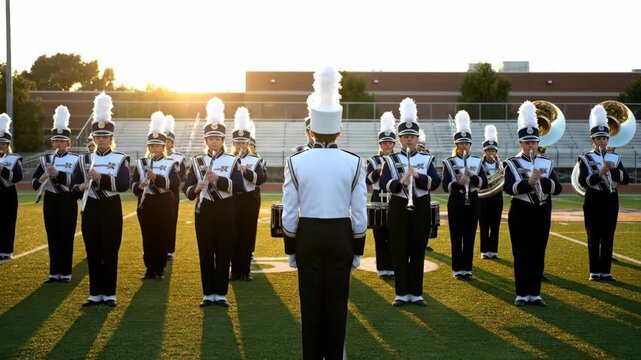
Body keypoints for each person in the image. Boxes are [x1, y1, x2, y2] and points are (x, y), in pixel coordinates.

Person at [282, 67, 367, 359]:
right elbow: (360, 215)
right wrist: (357, 248)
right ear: (339, 131)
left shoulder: (296, 162)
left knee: (310, 306)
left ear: (311, 131)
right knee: (336, 305)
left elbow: (289, 214)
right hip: (341, 235)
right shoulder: (354, 162)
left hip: (308, 235)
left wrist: (291, 247)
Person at [380, 98, 441, 306]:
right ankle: (401, 293)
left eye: (412, 137)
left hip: (421, 206)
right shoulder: (390, 160)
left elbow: (436, 182)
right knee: (398, 249)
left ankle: (416, 293)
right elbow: (383, 183)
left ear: (417, 138)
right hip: (398, 207)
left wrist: (418, 177)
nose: (408, 140)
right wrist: (401, 180)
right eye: (405, 136)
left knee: (417, 249)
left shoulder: (427, 159)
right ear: (399, 138)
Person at [72, 92, 131, 307]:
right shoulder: (84, 159)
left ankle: (110, 293)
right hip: (90, 208)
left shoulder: (120, 158)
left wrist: (100, 178)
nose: (101, 140)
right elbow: (73, 187)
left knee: (110, 250)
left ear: (111, 138)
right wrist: (79, 186)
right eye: (98, 136)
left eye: (105, 136)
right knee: (93, 250)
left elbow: (124, 184)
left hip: (110, 207)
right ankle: (95, 292)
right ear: (93, 138)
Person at [183, 97, 242, 308]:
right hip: (204, 211)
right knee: (206, 251)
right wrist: (196, 188)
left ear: (223, 140)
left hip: (225, 210)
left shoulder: (233, 160)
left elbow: (239, 187)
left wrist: (220, 180)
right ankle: (208, 293)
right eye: (211, 138)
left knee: (224, 250)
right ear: (206, 141)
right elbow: (186, 188)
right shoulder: (197, 161)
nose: (214, 142)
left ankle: (222, 293)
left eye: (218, 138)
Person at [504, 100, 561, 307]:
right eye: (527, 143)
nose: (531, 146)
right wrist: (528, 183)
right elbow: (509, 188)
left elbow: (558, 188)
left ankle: (535, 293)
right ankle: (521, 293)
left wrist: (544, 182)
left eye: (534, 142)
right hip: (520, 211)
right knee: (521, 253)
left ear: (538, 143)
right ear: (521, 143)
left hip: (542, 211)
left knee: (538, 252)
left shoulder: (546, 163)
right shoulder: (512, 163)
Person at [578, 104, 629, 282]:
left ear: (608, 139)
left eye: (604, 138)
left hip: (611, 197)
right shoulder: (585, 158)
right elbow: (583, 181)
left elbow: (625, 178)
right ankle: (594, 271)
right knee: (594, 235)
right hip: (593, 198)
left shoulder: (615, 157)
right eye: (598, 138)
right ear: (593, 140)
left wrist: (613, 170)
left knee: (608, 234)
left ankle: (606, 271)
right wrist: (600, 172)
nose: (602, 141)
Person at [32, 106, 80, 282]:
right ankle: (54, 272)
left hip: (68, 200)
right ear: (52, 143)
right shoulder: (45, 160)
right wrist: (44, 175)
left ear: (68, 142)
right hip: (51, 200)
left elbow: (76, 182)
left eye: (62, 141)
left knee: (66, 236)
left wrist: (58, 175)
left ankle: (65, 272)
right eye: (55, 141)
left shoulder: (76, 160)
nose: (58, 144)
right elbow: (35, 184)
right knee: (52, 235)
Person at [132, 111, 180, 280]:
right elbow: (133, 185)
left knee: (161, 236)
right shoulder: (141, 163)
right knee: (148, 237)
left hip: (164, 203)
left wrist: (156, 178)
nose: (155, 149)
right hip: (145, 204)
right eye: (152, 146)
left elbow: (174, 184)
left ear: (163, 147)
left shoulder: (170, 163)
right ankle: (149, 268)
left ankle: (159, 268)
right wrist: (140, 185)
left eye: (158, 146)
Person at [442, 110, 487, 280]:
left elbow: (484, 183)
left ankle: (467, 268)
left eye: (466, 144)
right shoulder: (449, 162)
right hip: (456, 200)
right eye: (460, 144)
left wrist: (473, 177)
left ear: (470, 145)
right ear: (456, 144)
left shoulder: (477, 161)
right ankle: (456, 268)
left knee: (469, 235)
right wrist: (458, 182)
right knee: (456, 235)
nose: (464, 146)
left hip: (473, 200)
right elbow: (445, 185)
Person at [229, 107, 267, 281]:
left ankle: (245, 271)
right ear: (233, 143)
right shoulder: (227, 159)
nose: (240, 146)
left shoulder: (255, 160)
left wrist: (247, 172)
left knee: (247, 233)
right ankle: (234, 270)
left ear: (248, 143)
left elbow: (262, 179)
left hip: (250, 200)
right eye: (237, 143)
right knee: (233, 234)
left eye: (243, 143)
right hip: (232, 200)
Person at [365, 111, 396, 278]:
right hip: (378, 197)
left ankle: (392, 267)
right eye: (384, 143)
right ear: (380, 144)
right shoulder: (373, 160)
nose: (387, 146)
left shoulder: (399, 158)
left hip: (395, 197)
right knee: (379, 234)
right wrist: (378, 171)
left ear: (394, 144)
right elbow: (367, 181)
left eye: (390, 143)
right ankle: (382, 268)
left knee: (394, 234)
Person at [164, 114, 187, 260]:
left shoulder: (178, 158)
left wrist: (171, 178)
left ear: (172, 143)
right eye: (163, 140)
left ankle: (169, 250)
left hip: (171, 193)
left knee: (171, 220)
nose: (165, 143)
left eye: (168, 141)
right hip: (156, 193)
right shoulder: (152, 157)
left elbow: (183, 175)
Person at [0, 113, 23, 261]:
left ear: (8, 144)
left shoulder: (14, 159)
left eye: (3, 143)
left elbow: (17, 177)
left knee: (8, 222)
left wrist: (2, 170)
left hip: (8, 194)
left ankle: (6, 250)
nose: (0, 145)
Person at [479, 125, 503, 260]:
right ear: (485, 152)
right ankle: (484, 250)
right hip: (483, 196)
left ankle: (493, 250)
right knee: (483, 224)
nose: (491, 153)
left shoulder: (500, 165)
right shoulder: (479, 164)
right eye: (488, 151)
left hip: (496, 196)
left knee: (495, 224)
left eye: (493, 151)